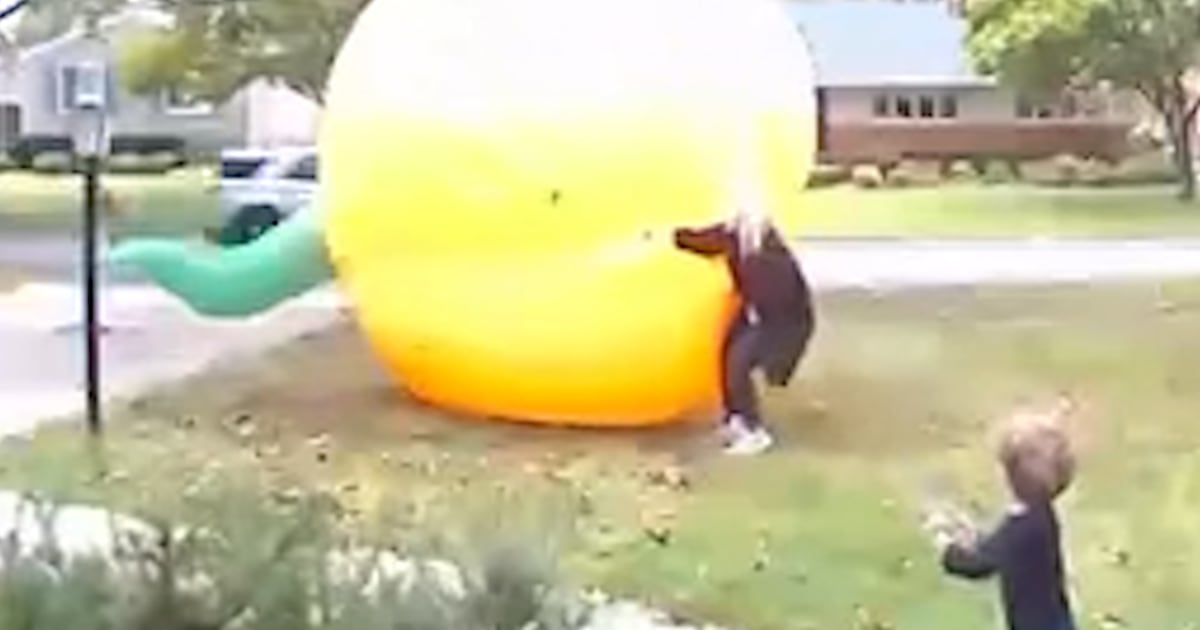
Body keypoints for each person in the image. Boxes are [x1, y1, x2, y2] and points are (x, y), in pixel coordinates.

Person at [667, 200, 816, 456]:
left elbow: (784, 305)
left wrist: (777, 358)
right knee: (727, 355)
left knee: (738, 364)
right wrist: (669, 236)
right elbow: (704, 241)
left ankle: (754, 432)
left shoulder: (769, 254)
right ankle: (735, 418)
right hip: (760, 315)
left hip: (783, 323)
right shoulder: (736, 235)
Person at [922, 397, 1078, 630]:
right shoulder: (1041, 516)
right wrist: (972, 535)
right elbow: (1000, 547)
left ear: (1010, 476)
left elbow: (979, 564)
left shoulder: (1019, 528)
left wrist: (947, 547)